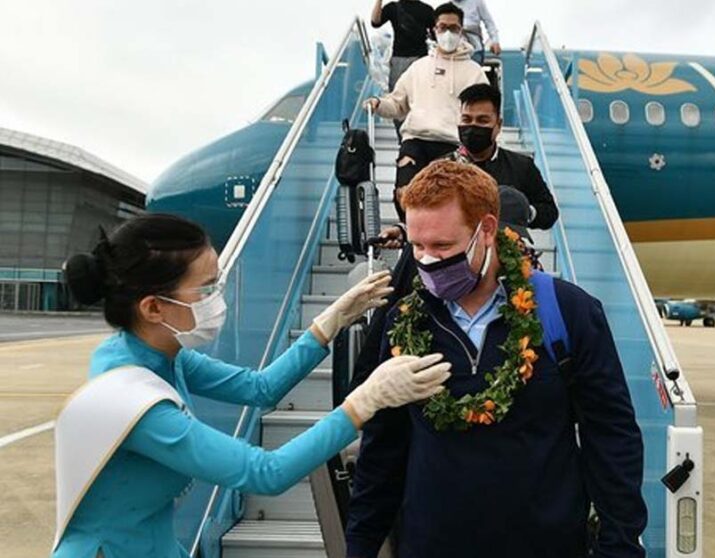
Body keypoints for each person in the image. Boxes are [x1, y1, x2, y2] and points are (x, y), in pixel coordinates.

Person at [51, 214, 451, 557]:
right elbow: (265, 472)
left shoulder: (154, 352)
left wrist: (329, 323)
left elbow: (259, 389)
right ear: (153, 307)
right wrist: (366, 400)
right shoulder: (135, 404)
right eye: (206, 289)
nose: (217, 299)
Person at [345, 160, 647, 558]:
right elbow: (383, 451)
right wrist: (360, 548)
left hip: (545, 545)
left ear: (486, 230)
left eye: (443, 246)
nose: (428, 261)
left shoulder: (567, 313)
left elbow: (611, 438)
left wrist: (620, 544)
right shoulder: (404, 326)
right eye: (417, 246)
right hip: (432, 545)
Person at [377, 82, 560, 249]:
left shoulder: (521, 166)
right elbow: (425, 214)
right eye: (466, 120)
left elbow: (549, 212)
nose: (473, 127)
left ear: (499, 125)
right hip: (453, 262)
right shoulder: (440, 169)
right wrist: (402, 230)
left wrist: (525, 211)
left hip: (504, 260)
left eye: (482, 121)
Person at [365, 2, 489, 221]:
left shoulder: (474, 73)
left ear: (461, 31)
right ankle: (409, 242)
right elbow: (397, 103)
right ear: (434, 30)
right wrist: (378, 104)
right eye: (443, 27)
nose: (448, 33)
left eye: (454, 28)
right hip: (416, 140)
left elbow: (485, 112)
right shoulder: (419, 67)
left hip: (453, 145)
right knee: (405, 196)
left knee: (444, 207)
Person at [370, 0, 435, 137]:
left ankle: (415, 134)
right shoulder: (393, 7)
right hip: (400, 59)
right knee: (396, 98)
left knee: (418, 99)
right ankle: (402, 137)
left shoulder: (427, 10)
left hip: (420, 60)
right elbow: (375, 22)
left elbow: (436, 34)